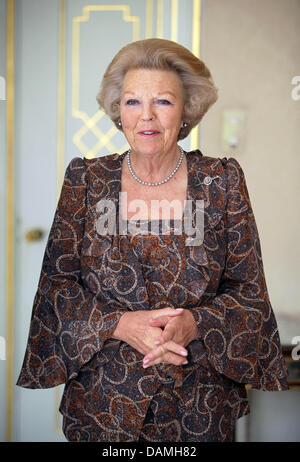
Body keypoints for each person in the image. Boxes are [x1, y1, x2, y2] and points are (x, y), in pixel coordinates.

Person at [17, 38, 289, 442]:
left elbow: (249, 294)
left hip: (200, 405)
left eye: (162, 101)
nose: (146, 116)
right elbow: (56, 291)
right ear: (118, 111)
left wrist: (195, 324)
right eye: (132, 102)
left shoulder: (223, 180)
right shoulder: (86, 181)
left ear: (185, 110)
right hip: (102, 402)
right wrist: (120, 324)